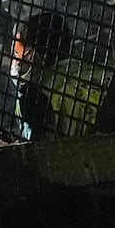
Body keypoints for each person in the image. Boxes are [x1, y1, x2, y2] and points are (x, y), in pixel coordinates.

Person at [15, 10, 104, 138]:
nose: (16, 63)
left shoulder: (34, 95)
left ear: (32, 55)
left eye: (17, 54)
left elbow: (38, 151)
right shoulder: (101, 73)